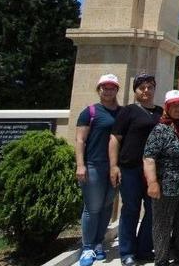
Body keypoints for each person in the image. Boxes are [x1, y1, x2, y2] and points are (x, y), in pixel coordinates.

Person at [110, 73, 163, 265]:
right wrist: (114, 166)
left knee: (153, 210)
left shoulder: (160, 112)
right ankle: (127, 252)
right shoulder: (128, 111)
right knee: (131, 209)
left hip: (154, 171)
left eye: (150, 87)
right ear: (135, 90)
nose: (146, 91)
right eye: (142, 87)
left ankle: (144, 249)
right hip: (131, 168)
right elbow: (115, 138)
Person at [144, 90, 179, 266]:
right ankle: (161, 259)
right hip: (165, 187)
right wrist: (152, 182)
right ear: (167, 107)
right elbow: (149, 158)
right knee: (162, 225)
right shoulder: (160, 129)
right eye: (173, 105)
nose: (178, 109)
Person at [75, 74, 121, 266]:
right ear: (98, 89)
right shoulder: (90, 112)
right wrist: (80, 164)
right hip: (94, 165)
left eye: (112, 87)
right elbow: (80, 140)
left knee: (107, 206)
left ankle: (98, 243)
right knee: (92, 208)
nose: (108, 91)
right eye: (105, 87)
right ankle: (87, 247)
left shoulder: (122, 113)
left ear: (117, 90)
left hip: (114, 167)